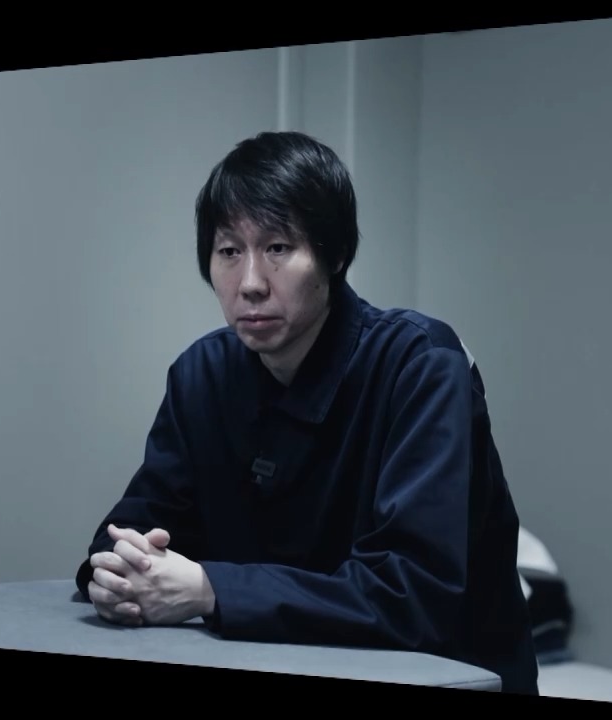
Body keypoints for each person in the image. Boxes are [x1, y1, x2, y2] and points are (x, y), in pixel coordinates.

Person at [74, 130, 540, 695]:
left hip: (447, 674)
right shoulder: (201, 374)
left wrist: (208, 590)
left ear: (334, 255)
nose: (250, 284)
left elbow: (411, 596)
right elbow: (134, 524)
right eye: (229, 252)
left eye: (277, 248)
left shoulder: (420, 363)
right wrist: (117, 573)